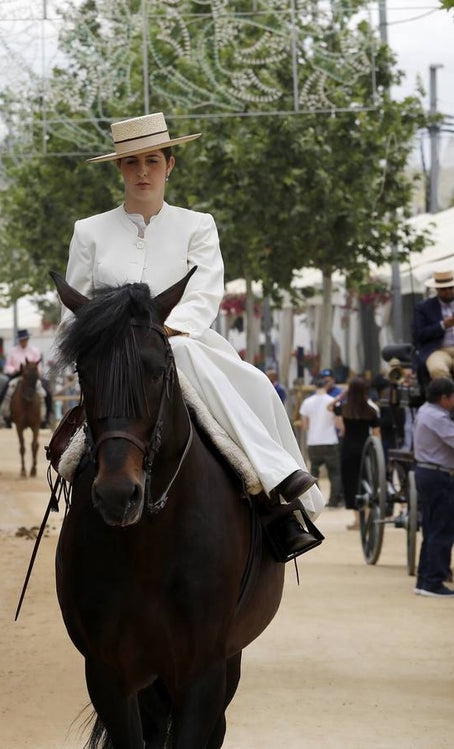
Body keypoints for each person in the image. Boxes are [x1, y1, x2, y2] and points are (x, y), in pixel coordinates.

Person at [64, 112, 322, 561]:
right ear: (119, 169)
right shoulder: (88, 231)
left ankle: (279, 496)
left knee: (253, 382)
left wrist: (165, 329)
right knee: (75, 442)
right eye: (131, 163)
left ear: (170, 165)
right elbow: (76, 308)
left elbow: (204, 293)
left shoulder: (198, 225)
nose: (142, 172)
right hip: (113, 360)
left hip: (186, 340)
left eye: (151, 161)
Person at [410, 377, 454, 597]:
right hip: (438, 475)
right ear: (444, 397)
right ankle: (433, 582)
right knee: (441, 528)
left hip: (428, 472)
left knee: (431, 528)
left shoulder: (425, 410)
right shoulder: (437, 416)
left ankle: (424, 580)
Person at [333, 377, 381, 530]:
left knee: (351, 482)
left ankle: (357, 521)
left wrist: (341, 395)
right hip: (366, 448)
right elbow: (376, 433)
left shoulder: (344, 409)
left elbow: (331, 410)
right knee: (366, 481)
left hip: (348, 448)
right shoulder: (371, 410)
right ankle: (366, 517)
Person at [300, 377, 344, 509]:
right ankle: (334, 501)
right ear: (326, 387)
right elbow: (338, 424)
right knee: (334, 473)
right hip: (330, 441)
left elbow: (304, 425)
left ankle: (317, 500)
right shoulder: (332, 401)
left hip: (313, 442)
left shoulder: (307, 402)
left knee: (314, 471)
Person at [0, 329, 50, 426]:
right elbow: (7, 366)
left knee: (46, 393)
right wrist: (14, 370)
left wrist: (37, 373)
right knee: (5, 391)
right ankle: (6, 415)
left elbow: (39, 366)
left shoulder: (35, 351)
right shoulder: (13, 351)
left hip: (32, 378)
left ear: (27, 339)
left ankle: (45, 417)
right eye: (21, 339)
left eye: (24, 339)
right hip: (17, 376)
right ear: (19, 340)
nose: (23, 341)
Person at [412, 269, 454, 383]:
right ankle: (449, 397)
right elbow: (419, 335)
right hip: (438, 350)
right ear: (437, 289)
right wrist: (443, 325)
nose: (448, 291)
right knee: (437, 369)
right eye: (444, 289)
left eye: (451, 288)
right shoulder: (423, 308)